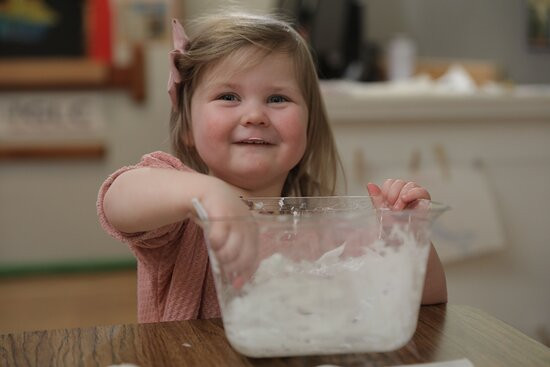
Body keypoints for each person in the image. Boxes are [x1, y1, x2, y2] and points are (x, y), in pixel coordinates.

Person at [97, 11, 447, 323]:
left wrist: (406, 234)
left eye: (277, 99)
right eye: (228, 97)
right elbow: (117, 200)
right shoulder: (179, 214)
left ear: (308, 128)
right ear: (188, 126)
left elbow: (424, 297)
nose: (254, 116)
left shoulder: (328, 227)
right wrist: (207, 194)